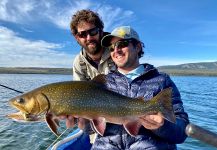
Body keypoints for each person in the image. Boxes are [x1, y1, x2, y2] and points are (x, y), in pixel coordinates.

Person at [90, 26, 189, 149]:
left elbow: (182, 131)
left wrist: (163, 126)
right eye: (111, 47)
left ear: (137, 47)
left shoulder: (162, 81)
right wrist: (81, 121)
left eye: (122, 44)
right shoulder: (103, 83)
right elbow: (90, 128)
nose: (116, 50)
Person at [70, 9, 116, 81]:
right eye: (82, 34)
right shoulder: (78, 63)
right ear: (77, 38)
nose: (89, 38)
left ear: (101, 32)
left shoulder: (118, 52)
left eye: (93, 31)